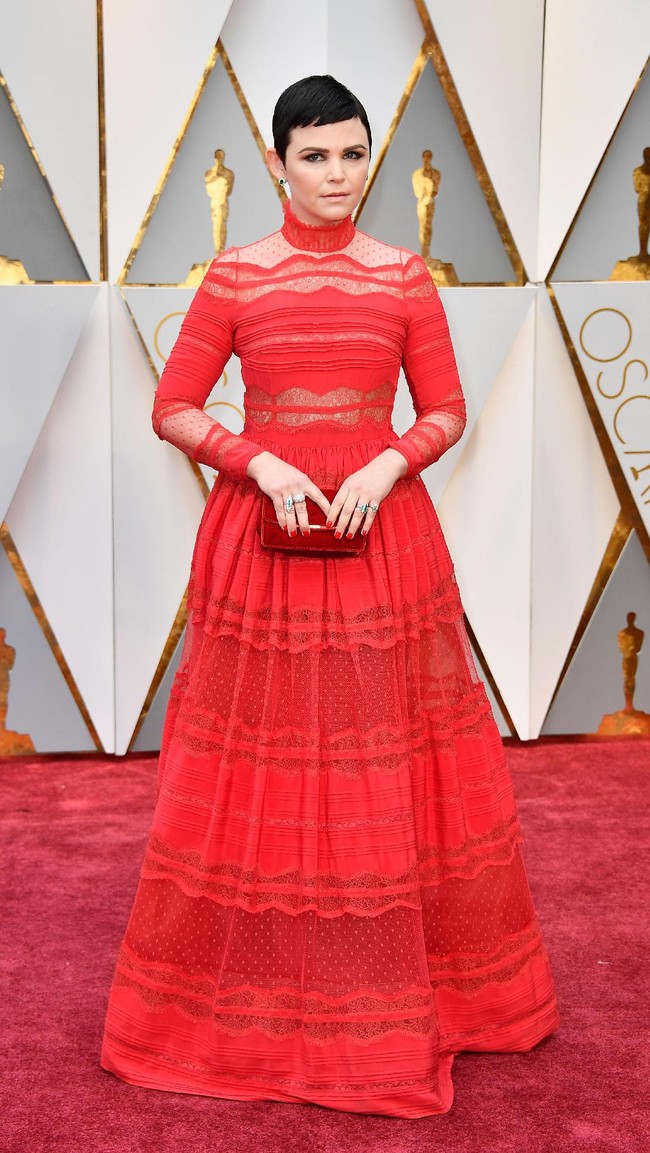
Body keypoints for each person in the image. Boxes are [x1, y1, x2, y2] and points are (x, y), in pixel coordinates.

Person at [101, 75, 559, 1118]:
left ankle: (394, 996)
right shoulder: (234, 277)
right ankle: (262, 1001)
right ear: (273, 163)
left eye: (352, 155)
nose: (336, 176)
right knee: (258, 761)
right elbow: (173, 406)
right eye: (314, 157)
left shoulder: (402, 276)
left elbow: (443, 409)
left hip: (377, 537)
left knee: (381, 756)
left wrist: (387, 462)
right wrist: (254, 461)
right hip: (259, 543)